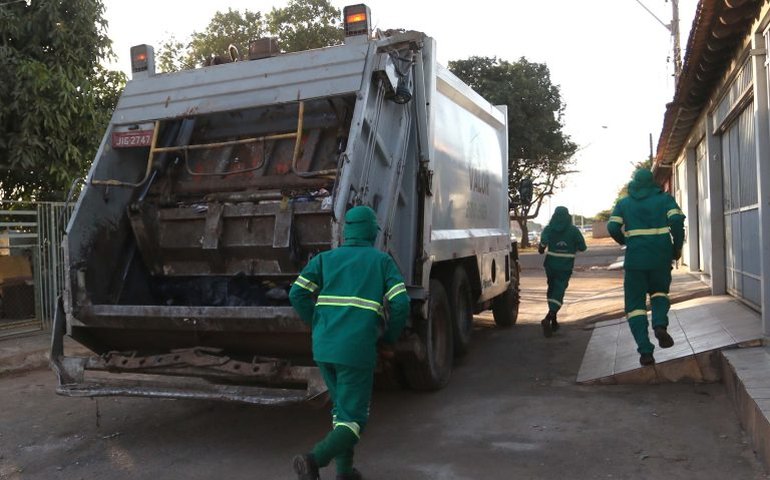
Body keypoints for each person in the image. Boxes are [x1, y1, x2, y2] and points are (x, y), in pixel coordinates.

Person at [289, 205, 410, 480]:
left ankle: (344, 472)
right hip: (356, 350)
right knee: (355, 420)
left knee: (341, 411)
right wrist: (388, 338)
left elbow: (297, 294)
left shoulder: (324, 259)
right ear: (371, 232)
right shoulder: (382, 262)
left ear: (347, 231)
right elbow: (401, 304)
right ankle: (313, 460)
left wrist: (317, 323)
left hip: (324, 347)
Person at [607, 168, 685, 366]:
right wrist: (676, 249)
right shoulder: (664, 199)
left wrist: (625, 240)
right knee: (659, 293)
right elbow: (676, 221)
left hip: (636, 260)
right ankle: (659, 324)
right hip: (660, 257)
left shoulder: (624, 203)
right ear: (652, 182)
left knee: (635, 307)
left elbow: (612, 227)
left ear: (634, 182)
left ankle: (645, 351)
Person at [537, 206, 587, 337]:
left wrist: (542, 248)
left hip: (550, 265)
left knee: (552, 290)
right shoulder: (573, 230)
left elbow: (542, 244)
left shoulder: (549, 228)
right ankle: (548, 318)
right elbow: (583, 247)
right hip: (565, 267)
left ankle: (554, 322)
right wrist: (572, 246)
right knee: (558, 292)